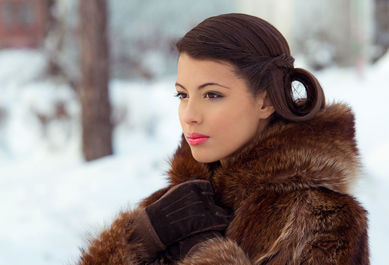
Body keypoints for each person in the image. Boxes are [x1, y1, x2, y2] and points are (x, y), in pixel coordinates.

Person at [77, 13, 369, 265]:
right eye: (183, 94)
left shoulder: (325, 219)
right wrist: (137, 239)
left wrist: (206, 252)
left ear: (266, 102)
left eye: (212, 95)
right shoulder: (175, 203)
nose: (189, 114)